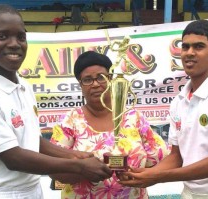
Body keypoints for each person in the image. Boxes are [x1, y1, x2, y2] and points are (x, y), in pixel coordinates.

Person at [0, 4, 112, 199]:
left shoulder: (24, 86)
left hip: (32, 190)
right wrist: (79, 165)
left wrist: (75, 155)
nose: (14, 44)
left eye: (21, 37)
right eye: (2, 36)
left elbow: (32, 141)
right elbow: (13, 158)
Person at [118, 19, 208, 198]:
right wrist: (146, 174)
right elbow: (177, 156)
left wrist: (158, 176)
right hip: (190, 192)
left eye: (198, 47)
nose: (189, 53)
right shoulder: (179, 101)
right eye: (185, 47)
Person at [49, 51, 168, 198]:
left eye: (101, 77)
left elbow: (161, 158)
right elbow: (53, 168)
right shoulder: (70, 121)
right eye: (87, 80)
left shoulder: (134, 118)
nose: (95, 84)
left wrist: (141, 175)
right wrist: (83, 171)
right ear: (80, 84)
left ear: (111, 79)